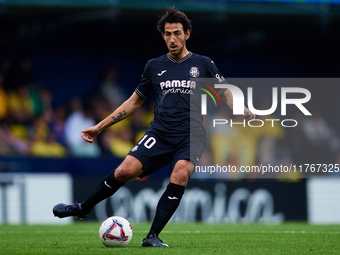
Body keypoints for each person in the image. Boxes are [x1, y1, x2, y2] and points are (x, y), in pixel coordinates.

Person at [53, 7, 255, 248]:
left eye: (177, 33)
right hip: (159, 132)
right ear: (163, 35)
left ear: (187, 34)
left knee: (180, 172)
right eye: (168, 34)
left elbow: (225, 91)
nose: (172, 39)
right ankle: (84, 208)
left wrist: (239, 107)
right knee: (123, 172)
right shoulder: (154, 66)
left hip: (191, 135)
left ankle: (152, 236)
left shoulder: (203, 63)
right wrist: (100, 127)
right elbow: (134, 101)